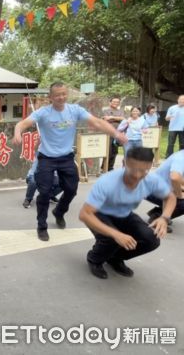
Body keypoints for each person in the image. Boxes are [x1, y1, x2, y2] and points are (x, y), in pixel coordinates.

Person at [13, 82, 128, 242]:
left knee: (71, 189)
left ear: (67, 94)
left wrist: (116, 134)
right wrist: (18, 133)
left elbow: (97, 122)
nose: (61, 97)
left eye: (63, 94)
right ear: (51, 97)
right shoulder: (43, 112)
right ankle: (41, 226)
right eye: (57, 95)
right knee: (44, 193)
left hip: (66, 157)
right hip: (46, 157)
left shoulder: (75, 110)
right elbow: (22, 123)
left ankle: (59, 211)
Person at [79, 147, 176, 279]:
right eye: (133, 169)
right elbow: (85, 214)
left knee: (152, 239)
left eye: (143, 170)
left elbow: (170, 197)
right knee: (112, 239)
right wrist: (116, 234)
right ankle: (94, 259)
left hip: (124, 214)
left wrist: (164, 218)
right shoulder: (107, 182)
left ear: (150, 166)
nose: (137, 175)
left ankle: (114, 258)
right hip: (99, 213)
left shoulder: (151, 180)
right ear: (124, 163)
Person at [146, 150, 184, 233]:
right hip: (151, 189)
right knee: (180, 202)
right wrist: (180, 195)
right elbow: (175, 178)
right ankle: (160, 220)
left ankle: (158, 214)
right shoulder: (180, 158)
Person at [100, 96, 124, 172]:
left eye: (117, 102)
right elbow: (105, 119)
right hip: (108, 134)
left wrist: (112, 117)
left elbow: (123, 119)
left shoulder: (120, 111)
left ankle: (110, 167)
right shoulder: (105, 110)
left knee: (114, 151)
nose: (116, 103)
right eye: (114, 102)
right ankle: (104, 167)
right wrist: (117, 118)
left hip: (117, 134)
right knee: (108, 151)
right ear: (110, 102)